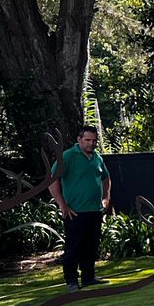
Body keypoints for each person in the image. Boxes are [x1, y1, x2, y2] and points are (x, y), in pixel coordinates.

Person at [49, 125, 111, 292]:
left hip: (95, 211)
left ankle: (89, 277)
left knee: (91, 246)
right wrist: (63, 205)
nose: (91, 143)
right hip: (75, 212)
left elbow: (106, 178)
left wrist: (106, 198)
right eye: (87, 140)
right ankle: (71, 281)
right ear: (79, 140)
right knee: (73, 247)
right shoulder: (68, 157)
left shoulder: (97, 157)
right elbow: (52, 180)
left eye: (94, 140)